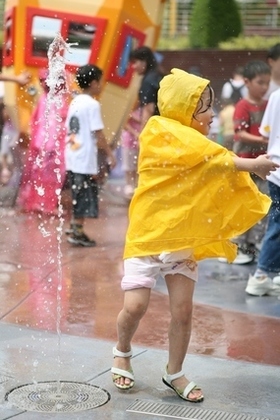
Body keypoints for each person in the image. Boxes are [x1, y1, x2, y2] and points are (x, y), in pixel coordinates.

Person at [111, 68, 278, 401]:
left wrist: (248, 165)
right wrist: (250, 166)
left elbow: (211, 162)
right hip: (148, 236)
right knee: (135, 306)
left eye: (210, 106)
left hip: (181, 238)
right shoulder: (158, 130)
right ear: (181, 108)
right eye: (204, 107)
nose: (212, 114)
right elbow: (209, 159)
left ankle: (174, 371)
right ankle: (122, 349)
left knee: (183, 312)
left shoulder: (198, 142)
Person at [219, 60, 271, 265]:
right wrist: (263, 140)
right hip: (245, 163)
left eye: (267, 83)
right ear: (247, 82)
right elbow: (239, 134)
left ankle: (253, 243)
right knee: (243, 202)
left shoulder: (268, 105)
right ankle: (236, 244)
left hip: (263, 164)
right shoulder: (242, 106)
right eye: (261, 83)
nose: (265, 87)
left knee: (261, 202)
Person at [65, 64, 116, 247]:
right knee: (85, 194)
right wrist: (110, 154)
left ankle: (74, 227)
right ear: (94, 83)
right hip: (84, 158)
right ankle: (77, 231)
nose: (101, 85)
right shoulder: (92, 104)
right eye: (100, 81)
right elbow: (98, 133)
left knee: (78, 193)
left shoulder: (75, 101)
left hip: (72, 154)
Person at [17, 68, 69, 215]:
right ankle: (46, 205)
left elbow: (36, 122)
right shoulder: (58, 100)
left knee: (36, 174)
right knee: (51, 177)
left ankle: (34, 202)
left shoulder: (44, 98)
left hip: (39, 144)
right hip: (50, 146)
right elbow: (54, 125)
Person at [245, 87, 280, 297]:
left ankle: (268, 272)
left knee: (276, 220)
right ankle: (263, 273)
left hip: (275, 168)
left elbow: (265, 133)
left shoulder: (276, 95)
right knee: (277, 223)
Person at [129, 46, 164, 131]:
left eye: (135, 62)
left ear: (144, 62)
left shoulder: (148, 81)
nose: (133, 66)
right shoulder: (159, 76)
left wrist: (143, 136)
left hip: (155, 128)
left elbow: (149, 109)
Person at [121, 104, 141, 198]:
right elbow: (124, 124)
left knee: (137, 165)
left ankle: (135, 185)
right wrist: (135, 133)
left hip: (139, 142)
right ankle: (129, 185)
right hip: (129, 141)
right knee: (128, 165)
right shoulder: (128, 109)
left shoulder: (142, 109)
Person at [0, 104, 19, 185]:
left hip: (15, 130)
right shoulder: (6, 108)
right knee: (4, 151)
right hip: (8, 130)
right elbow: (5, 117)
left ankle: (15, 170)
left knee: (14, 150)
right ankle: (5, 169)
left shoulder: (17, 108)